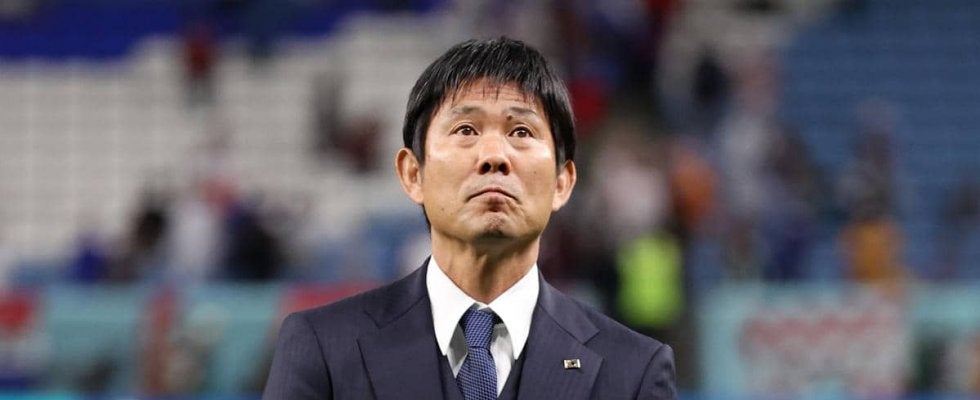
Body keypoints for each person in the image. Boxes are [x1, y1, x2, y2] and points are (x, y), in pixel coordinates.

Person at [263, 37, 677, 400]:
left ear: (562, 182)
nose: (494, 156)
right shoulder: (322, 347)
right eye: (465, 129)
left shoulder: (633, 369)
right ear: (413, 174)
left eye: (521, 132)